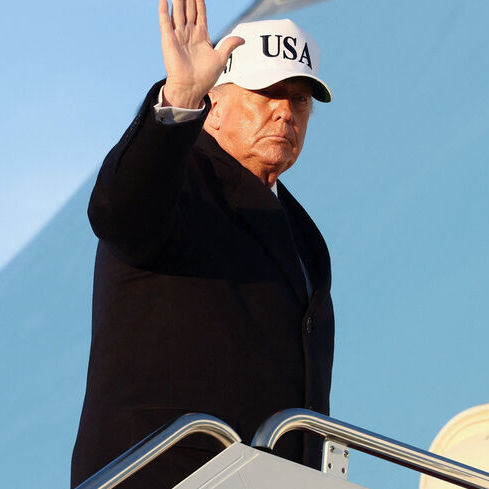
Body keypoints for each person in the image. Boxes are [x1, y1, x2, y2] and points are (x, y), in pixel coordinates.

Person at [70, 1, 335, 487]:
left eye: (299, 99)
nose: (285, 111)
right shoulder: (177, 181)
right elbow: (118, 212)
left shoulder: (305, 237)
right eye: (267, 91)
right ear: (214, 104)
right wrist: (178, 101)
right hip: (167, 472)